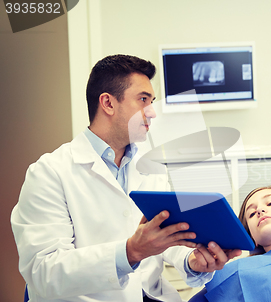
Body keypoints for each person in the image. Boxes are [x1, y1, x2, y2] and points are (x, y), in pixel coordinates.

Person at [11, 54, 241, 302]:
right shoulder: (48, 172)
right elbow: (44, 272)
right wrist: (129, 252)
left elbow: (164, 239)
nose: (152, 112)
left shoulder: (150, 167)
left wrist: (192, 261)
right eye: (143, 100)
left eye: (152, 101)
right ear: (108, 103)